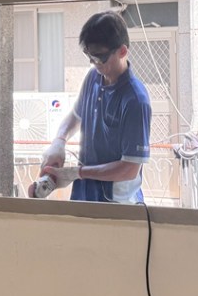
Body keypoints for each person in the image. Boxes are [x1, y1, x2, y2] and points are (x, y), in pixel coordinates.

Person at [31, 11, 152, 203]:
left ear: (122, 51)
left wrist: (77, 173)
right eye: (89, 55)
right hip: (84, 193)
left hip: (117, 202)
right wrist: (59, 141)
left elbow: (129, 169)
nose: (94, 63)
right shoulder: (93, 77)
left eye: (99, 57)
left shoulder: (135, 100)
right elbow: (76, 116)